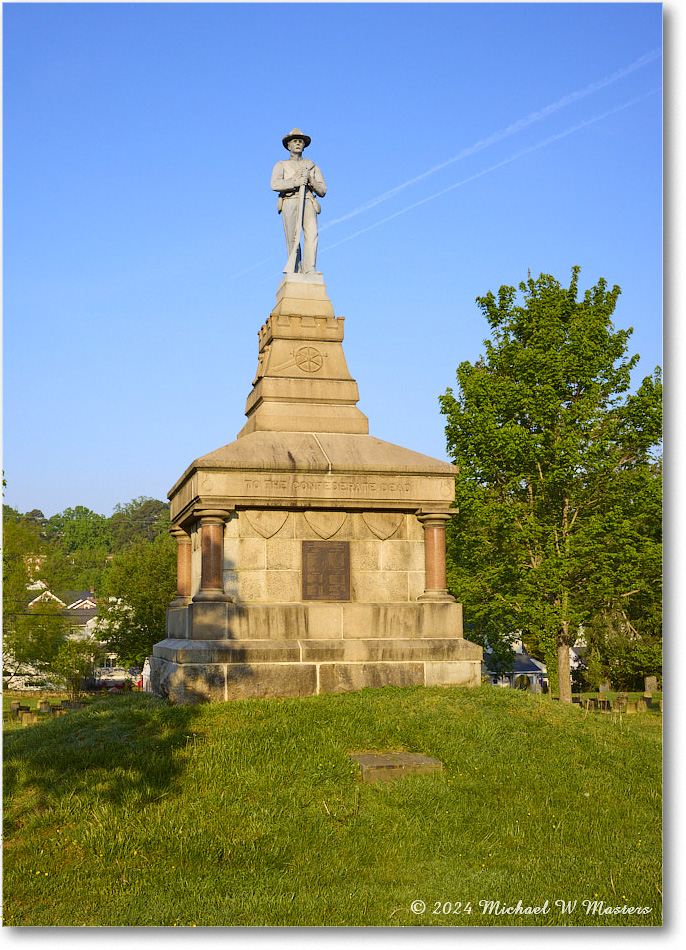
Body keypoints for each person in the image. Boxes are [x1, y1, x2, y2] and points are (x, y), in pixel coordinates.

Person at [271, 128, 327, 274]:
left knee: (312, 233)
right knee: (292, 237)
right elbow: (275, 184)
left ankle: (310, 269)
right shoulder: (281, 165)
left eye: (300, 141)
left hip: (308, 200)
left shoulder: (311, 166)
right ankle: (295, 270)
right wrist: (295, 182)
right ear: (288, 145)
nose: (297, 144)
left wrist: (310, 180)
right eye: (294, 141)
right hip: (290, 201)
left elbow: (322, 190)